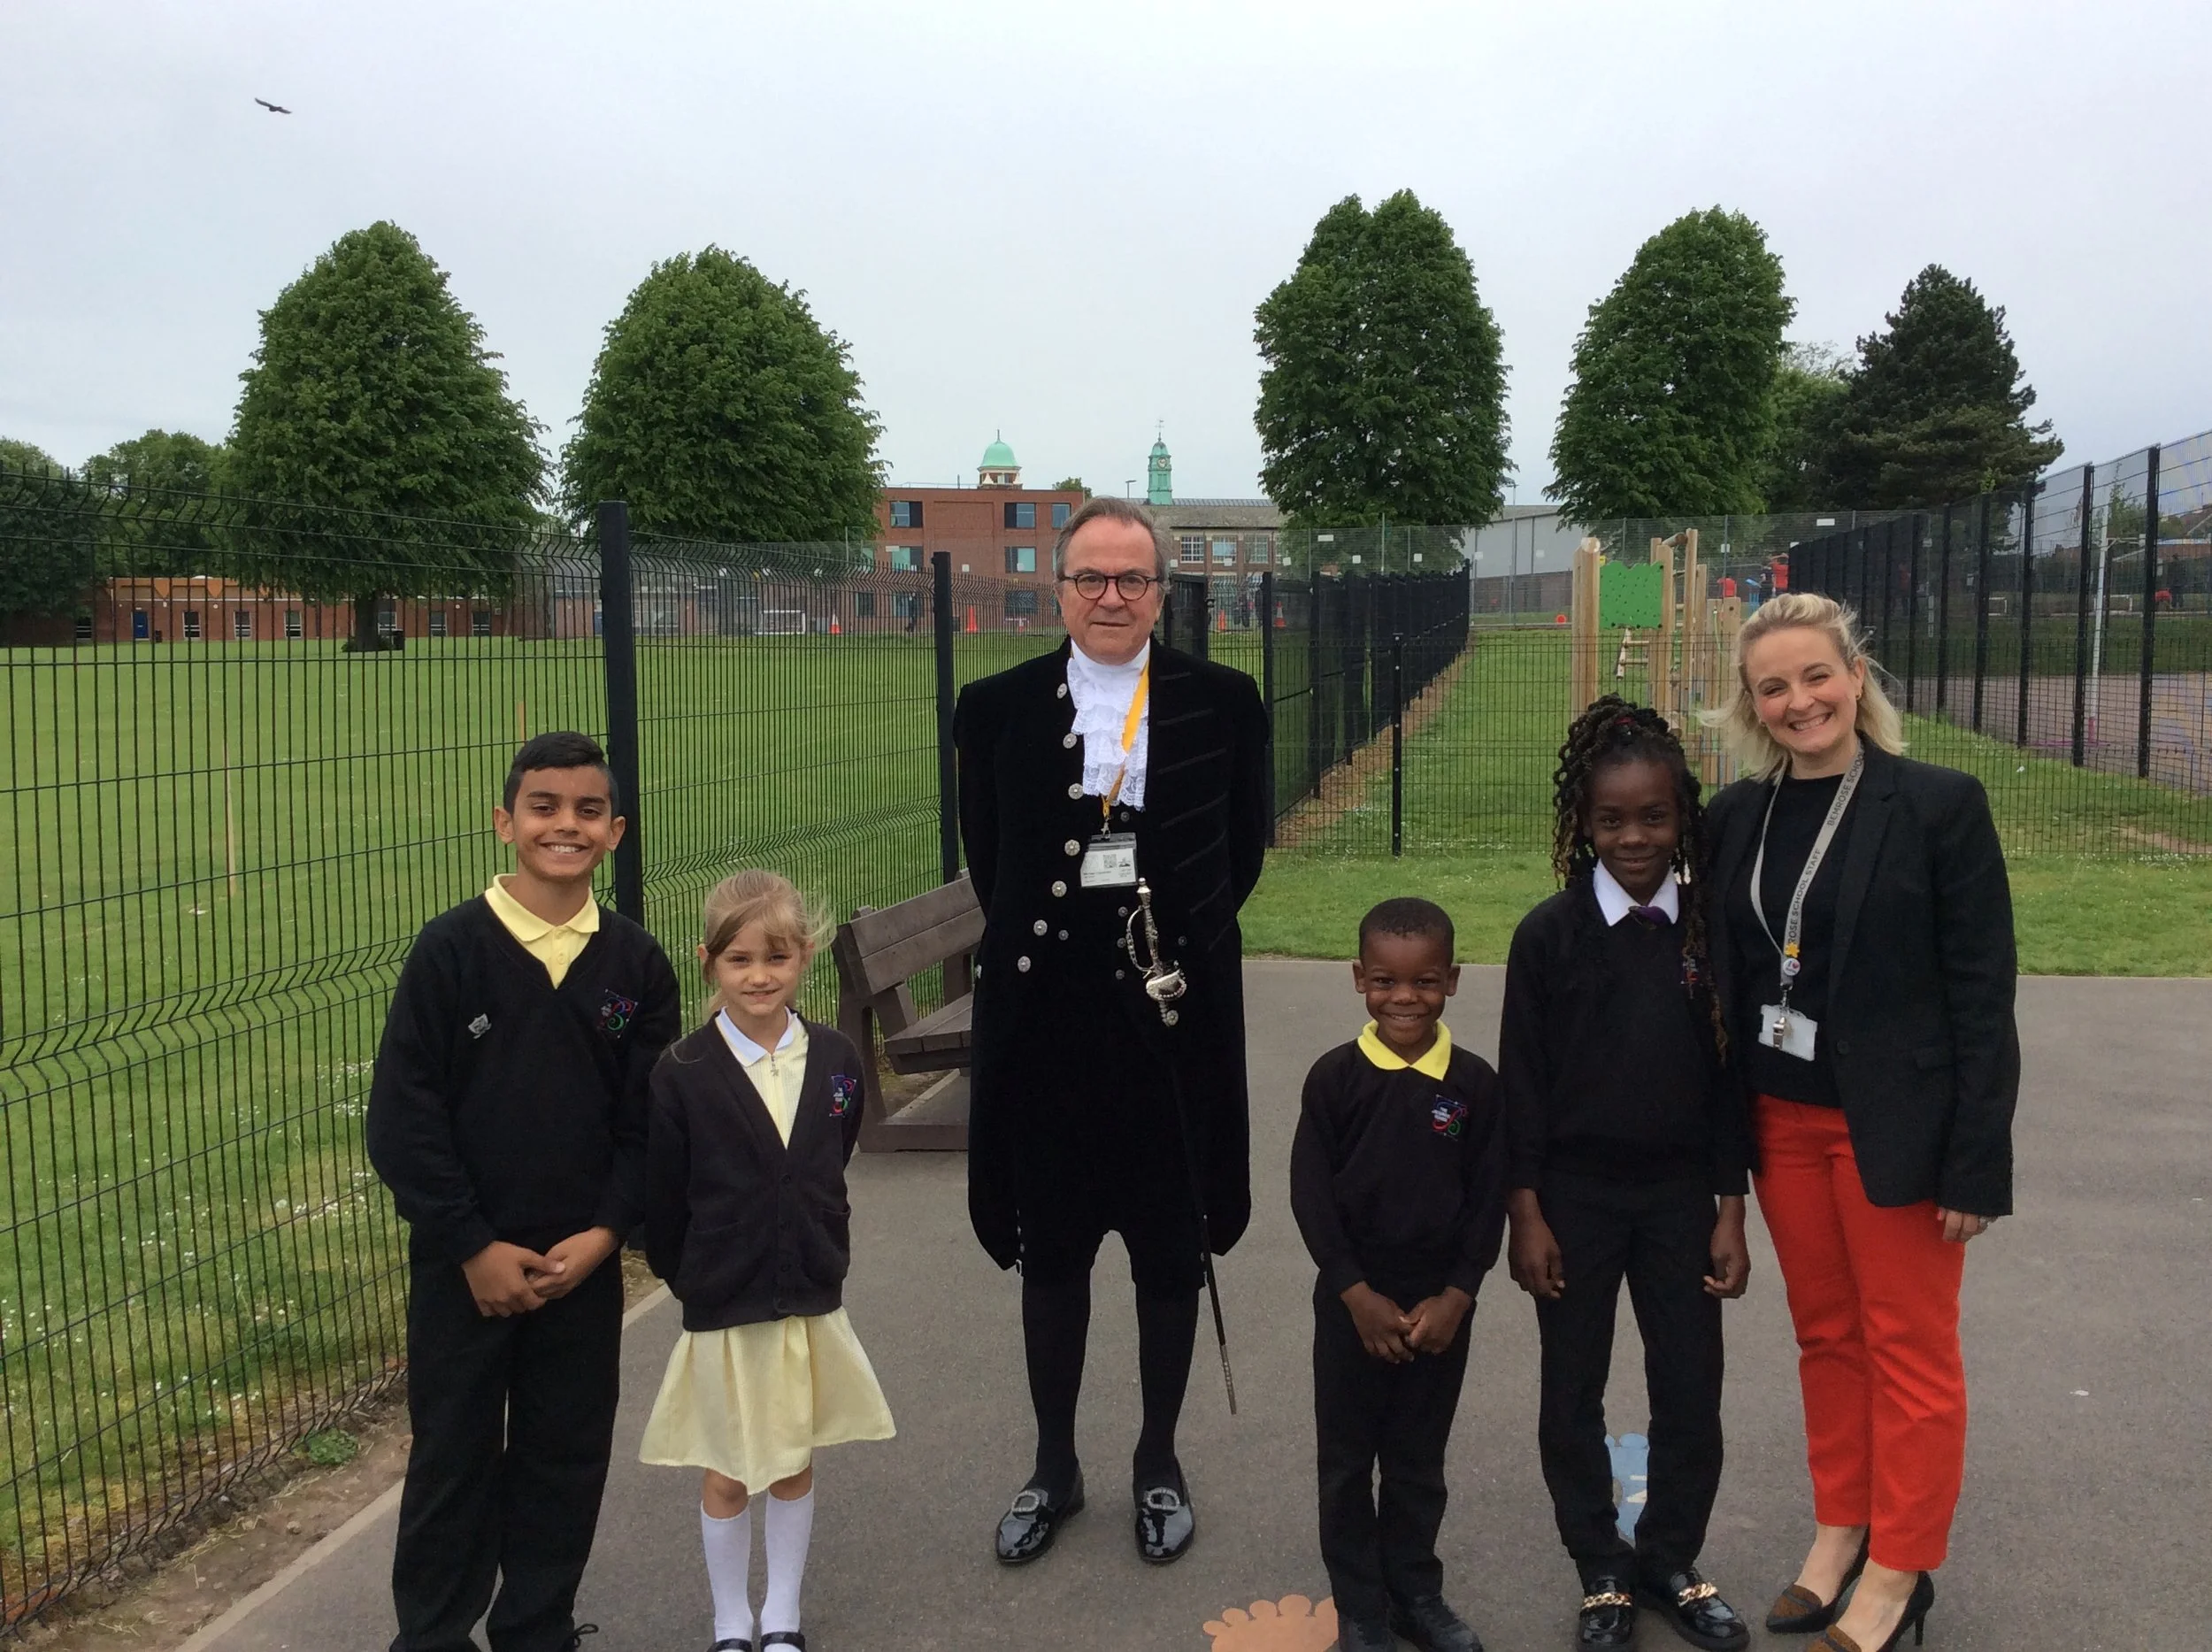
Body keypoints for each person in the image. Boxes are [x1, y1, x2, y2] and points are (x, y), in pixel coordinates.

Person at [953, 494, 1270, 1566]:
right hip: (1046, 1028)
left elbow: (1244, 852)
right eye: (1090, 577)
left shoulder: (1222, 702)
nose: (1110, 596)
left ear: (1162, 590)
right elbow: (991, 862)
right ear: (1058, 587)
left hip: (1168, 1023)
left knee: (1167, 1251)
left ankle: (1157, 1457)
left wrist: (1166, 951)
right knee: (1054, 1255)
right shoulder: (993, 709)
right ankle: (1054, 1463)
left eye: (1132, 579)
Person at [1703, 592, 2017, 1652]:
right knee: (1825, 1338)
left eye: (1816, 676)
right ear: (1750, 706)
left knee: (1911, 1349)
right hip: (1782, 1121)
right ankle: (1841, 1524)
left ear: (1855, 676)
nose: (1800, 702)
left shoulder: (1936, 805)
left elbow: (1981, 992)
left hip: (1900, 1130)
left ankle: (1899, 1566)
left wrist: (1976, 1161)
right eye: (1773, 687)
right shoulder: (1735, 817)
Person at [366, 731, 681, 1652]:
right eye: (544, 806)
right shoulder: (450, 951)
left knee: (564, 1455)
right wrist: (468, 1241)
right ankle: (429, 1636)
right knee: (453, 1457)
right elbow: (403, 1118)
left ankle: (537, 1626)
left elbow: (645, 1123)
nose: (565, 825)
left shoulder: (635, 966)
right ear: (504, 821)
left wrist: (607, 1232)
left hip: (578, 1265)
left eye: (588, 810)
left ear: (615, 831)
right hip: (465, 1266)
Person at [1499, 698, 1751, 1652]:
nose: (1634, 836)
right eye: (1612, 819)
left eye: (1653, 816)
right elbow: (1520, 1086)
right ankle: (1599, 1565)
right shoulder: (1549, 936)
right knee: (1571, 1389)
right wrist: (1524, 1212)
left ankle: (1668, 1558)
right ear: (1582, 823)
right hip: (1573, 1200)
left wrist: (1731, 1207)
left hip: (1683, 1198)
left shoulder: (1704, 933)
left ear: (1681, 816)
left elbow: (1730, 1084)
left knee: (1690, 1386)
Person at [640, 869, 895, 1652]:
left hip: (806, 1296)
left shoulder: (839, 1058)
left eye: (776, 958)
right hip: (723, 1304)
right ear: (708, 960)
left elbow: (831, 1150)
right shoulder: (680, 1072)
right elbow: (665, 1197)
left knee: (790, 1462)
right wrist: (696, 1276)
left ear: (804, 956)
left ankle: (781, 1614)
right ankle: (731, 1621)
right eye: (739, 959)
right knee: (725, 1471)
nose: (758, 976)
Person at [1290, 898, 1505, 1652]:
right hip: (1354, 1307)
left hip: (1439, 1308)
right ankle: (1360, 1604)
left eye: (1423, 982)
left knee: (1418, 1461)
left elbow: (1487, 1200)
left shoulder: (1474, 1083)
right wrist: (1354, 1291)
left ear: (1452, 979)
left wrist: (1458, 1294)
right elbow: (1311, 1196)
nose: (1404, 997)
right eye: (1385, 980)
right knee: (1348, 1461)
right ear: (1359, 979)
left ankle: (1415, 1590)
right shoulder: (1334, 1080)